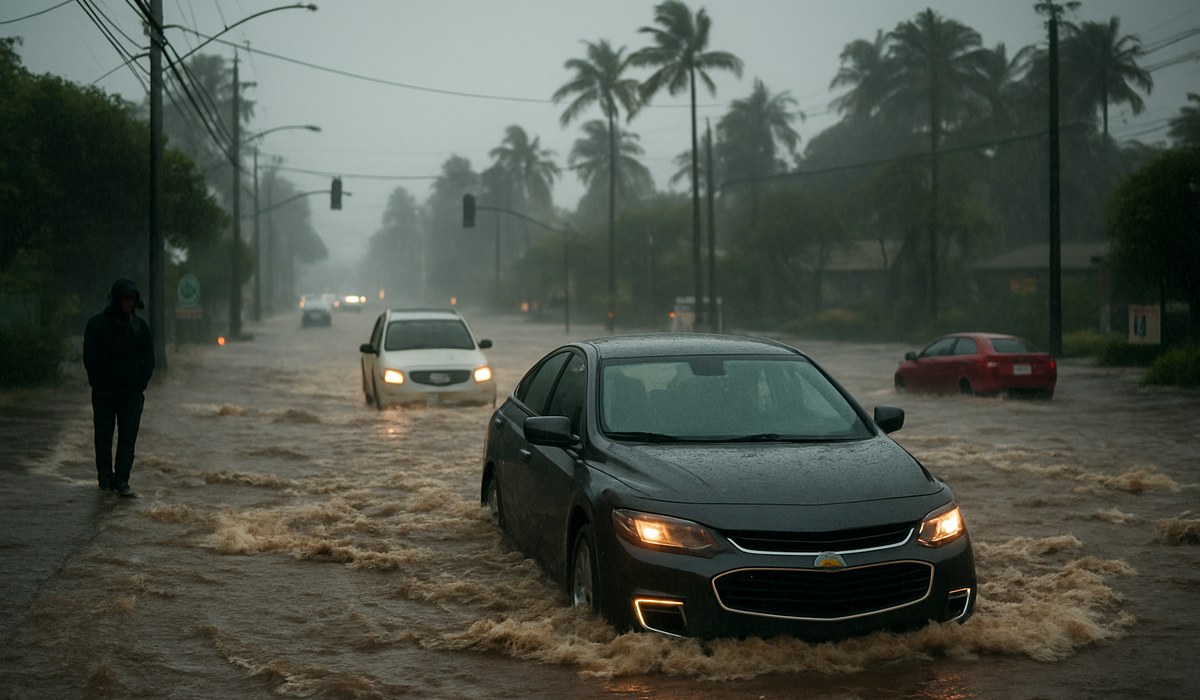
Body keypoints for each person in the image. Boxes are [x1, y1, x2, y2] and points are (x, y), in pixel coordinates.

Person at [83, 277, 155, 497]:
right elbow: (90, 357)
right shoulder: (97, 325)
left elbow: (149, 359)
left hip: (131, 393)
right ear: (116, 300)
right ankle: (105, 480)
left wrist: (139, 385)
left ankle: (122, 480)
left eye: (131, 300)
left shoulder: (140, 327)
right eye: (124, 299)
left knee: (128, 438)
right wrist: (98, 382)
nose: (127, 304)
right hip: (104, 392)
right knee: (103, 436)